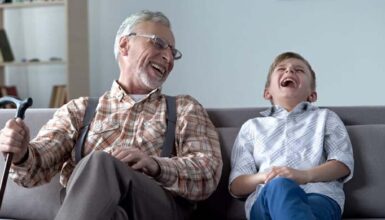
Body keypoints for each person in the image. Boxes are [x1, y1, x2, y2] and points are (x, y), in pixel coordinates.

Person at [0, 10, 222, 220]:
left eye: (172, 52)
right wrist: (20, 153)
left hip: (154, 208)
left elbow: (208, 172)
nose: (168, 58)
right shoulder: (80, 109)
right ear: (125, 45)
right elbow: (34, 170)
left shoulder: (185, 108)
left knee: (102, 161)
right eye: (159, 43)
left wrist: (154, 164)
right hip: (94, 211)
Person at [229, 52, 354, 220]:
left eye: (299, 70)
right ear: (267, 93)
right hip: (267, 200)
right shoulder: (251, 127)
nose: (289, 72)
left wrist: (303, 175)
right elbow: (237, 185)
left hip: (319, 197)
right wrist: (269, 176)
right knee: (279, 185)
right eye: (282, 69)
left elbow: (342, 163)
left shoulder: (326, 117)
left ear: (312, 95)